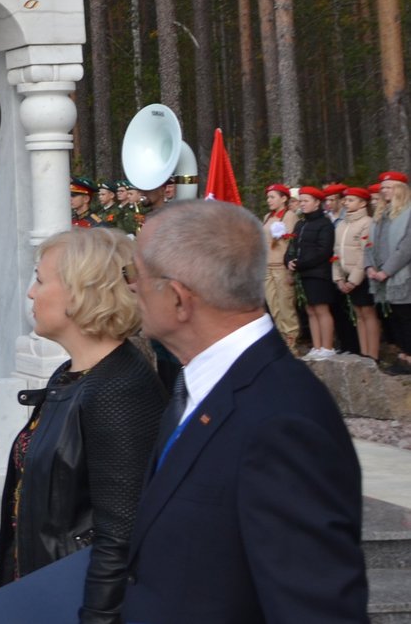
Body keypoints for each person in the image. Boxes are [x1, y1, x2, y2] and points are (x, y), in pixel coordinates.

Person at [120, 199, 366, 622]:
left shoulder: (282, 419)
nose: (130, 288)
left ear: (179, 298)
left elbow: (315, 609)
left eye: (135, 275)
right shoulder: (198, 384)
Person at [0, 229, 163, 621]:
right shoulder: (72, 374)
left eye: (40, 279)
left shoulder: (118, 390)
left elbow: (120, 539)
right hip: (43, 593)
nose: (32, 294)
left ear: (80, 290)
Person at [287, 186, 337, 360]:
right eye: (301, 201)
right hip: (303, 273)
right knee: (310, 309)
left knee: (321, 308)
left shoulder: (324, 224)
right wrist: (289, 260)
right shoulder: (300, 223)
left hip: (319, 273)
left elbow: (324, 251)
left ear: (317, 203)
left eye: (306, 201)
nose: (302, 204)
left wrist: (301, 264)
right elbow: (292, 245)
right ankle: (316, 347)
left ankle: (327, 346)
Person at [332, 185, 380, 362]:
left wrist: (353, 280)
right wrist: (338, 278)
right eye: (345, 199)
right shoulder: (342, 224)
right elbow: (335, 252)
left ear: (362, 203)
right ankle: (363, 353)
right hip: (346, 277)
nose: (346, 203)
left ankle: (373, 355)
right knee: (358, 315)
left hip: (361, 278)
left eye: (351, 200)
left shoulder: (367, 223)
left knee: (368, 313)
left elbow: (364, 254)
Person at [369, 171, 411, 369]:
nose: (384, 191)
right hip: (382, 275)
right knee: (392, 317)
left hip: (403, 275)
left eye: (389, 187)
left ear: (400, 189)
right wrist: (370, 266)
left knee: (406, 316)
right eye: (382, 188)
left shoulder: (408, 212)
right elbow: (369, 243)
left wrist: (387, 270)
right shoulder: (381, 214)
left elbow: (406, 247)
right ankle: (403, 354)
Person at [260, 183, 300, 347]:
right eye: (268, 197)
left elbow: (291, 242)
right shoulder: (267, 217)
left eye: (272, 197)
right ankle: (280, 340)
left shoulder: (290, 216)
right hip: (268, 266)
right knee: (273, 306)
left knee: (286, 305)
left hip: (281, 266)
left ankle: (291, 342)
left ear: (283, 198)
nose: (269, 200)